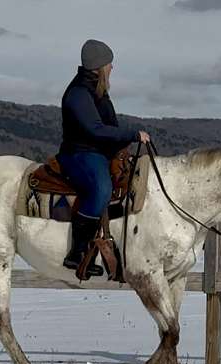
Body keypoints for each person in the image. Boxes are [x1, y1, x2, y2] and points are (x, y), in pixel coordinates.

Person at [57, 39, 151, 275]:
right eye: (109, 63)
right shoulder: (79, 93)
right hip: (80, 154)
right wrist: (132, 134)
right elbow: (95, 129)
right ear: (98, 66)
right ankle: (77, 253)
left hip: (98, 152)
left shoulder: (98, 91)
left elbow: (110, 126)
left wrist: (123, 142)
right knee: (101, 188)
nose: (112, 68)